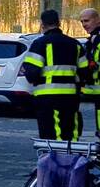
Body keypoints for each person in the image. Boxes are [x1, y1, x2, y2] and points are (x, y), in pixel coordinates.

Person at [22, 9, 90, 141]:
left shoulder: (39, 44)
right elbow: (85, 72)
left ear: (42, 25)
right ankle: (70, 154)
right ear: (59, 23)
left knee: (50, 136)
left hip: (47, 98)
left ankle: (56, 155)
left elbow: (31, 73)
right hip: (71, 97)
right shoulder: (75, 44)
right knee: (70, 133)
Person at [80, 8, 100, 135]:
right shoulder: (92, 41)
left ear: (98, 20)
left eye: (87, 21)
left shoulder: (96, 40)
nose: (84, 24)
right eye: (82, 21)